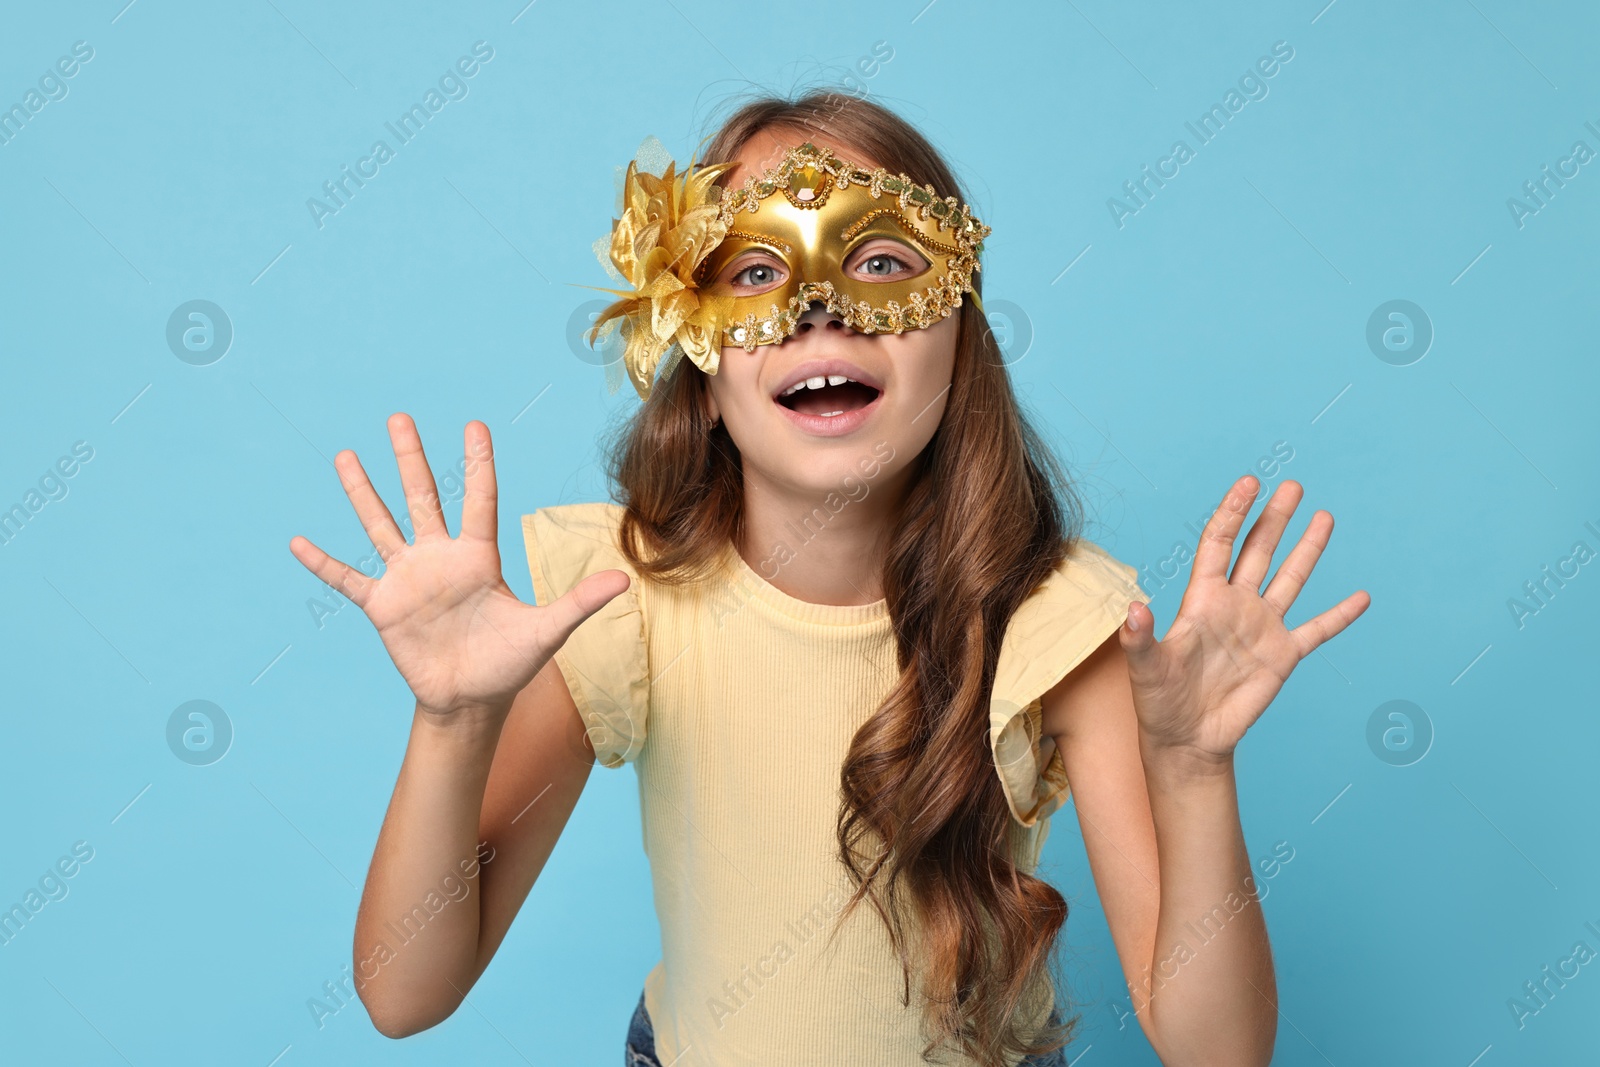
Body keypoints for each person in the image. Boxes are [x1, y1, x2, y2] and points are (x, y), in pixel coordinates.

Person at [288, 90, 1370, 1067]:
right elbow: (403, 993)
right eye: (754, 271)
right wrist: (451, 721)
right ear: (701, 369)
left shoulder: (1056, 625)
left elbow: (1218, 1050)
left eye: (884, 261)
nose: (819, 303)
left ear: (961, 338)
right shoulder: (622, 601)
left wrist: (1190, 771)